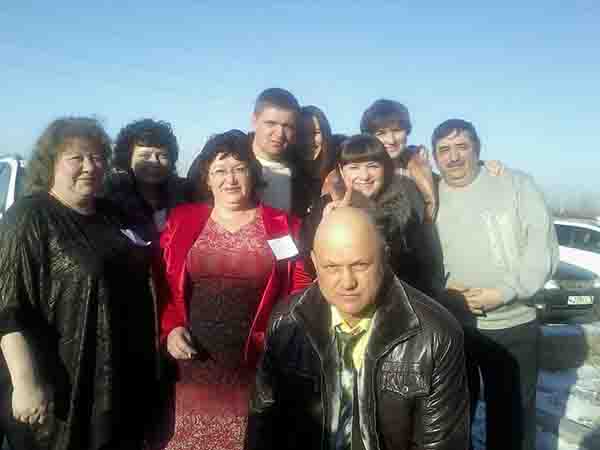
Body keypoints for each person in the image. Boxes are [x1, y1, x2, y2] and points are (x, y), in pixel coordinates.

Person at [245, 207, 470, 450]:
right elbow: (264, 425)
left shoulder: (435, 334)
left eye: (360, 265)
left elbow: (440, 445)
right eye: (332, 267)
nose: (347, 282)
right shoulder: (286, 323)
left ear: (385, 256)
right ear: (315, 263)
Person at [0, 117, 155, 450]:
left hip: (114, 378)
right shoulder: (28, 217)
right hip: (61, 382)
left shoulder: (112, 214)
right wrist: (25, 383)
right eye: (76, 157)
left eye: (97, 157)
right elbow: (8, 307)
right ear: (51, 163)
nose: (90, 166)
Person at [153, 130, 311, 450]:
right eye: (220, 170)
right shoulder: (182, 220)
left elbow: (299, 289)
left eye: (239, 169)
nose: (230, 179)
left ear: (253, 174)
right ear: (207, 178)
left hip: (257, 365)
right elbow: (164, 284)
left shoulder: (283, 225)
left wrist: (282, 344)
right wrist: (171, 329)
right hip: (193, 366)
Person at [432, 119, 559, 450]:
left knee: (511, 420)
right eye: (444, 150)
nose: (453, 157)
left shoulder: (516, 185)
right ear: (435, 157)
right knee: (455, 418)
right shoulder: (430, 194)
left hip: (513, 326)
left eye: (462, 147)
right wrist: (446, 293)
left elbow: (542, 250)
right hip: (455, 328)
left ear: (478, 149)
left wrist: (503, 292)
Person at [301, 134, 443, 295]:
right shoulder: (324, 208)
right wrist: (329, 227)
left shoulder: (406, 205)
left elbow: (421, 264)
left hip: (395, 298)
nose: (364, 176)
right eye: (354, 167)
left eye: (373, 166)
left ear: (385, 168)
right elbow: (309, 262)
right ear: (341, 170)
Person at [106, 118, 191, 241]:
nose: (154, 162)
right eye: (145, 156)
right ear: (128, 159)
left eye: (162, 155)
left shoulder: (186, 195)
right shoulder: (112, 200)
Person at [361, 99, 438, 222]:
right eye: (381, 133)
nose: (391, 140)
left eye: (397, 130)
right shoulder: (359, 174)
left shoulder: (421, 167)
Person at [249, 88, 312, 217]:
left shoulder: (303, 174)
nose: (279, 134)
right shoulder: (229, 164)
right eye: (271, 124)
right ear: (254, 121)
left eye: (287, 126)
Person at [297, 105, 339, 200]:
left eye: (315, 133)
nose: (309, 141)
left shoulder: (341, 169)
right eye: (301, 134)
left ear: (325, 133)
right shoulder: (288, 175)